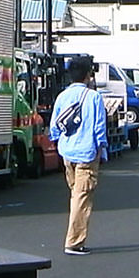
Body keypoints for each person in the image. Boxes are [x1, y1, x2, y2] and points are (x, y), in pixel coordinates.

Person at [47, 56, 107, 255]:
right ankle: (74, 242)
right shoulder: (93, 97)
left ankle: (75, 240)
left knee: (76, 194)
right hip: (86, 153)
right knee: (81, 199)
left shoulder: (62, 96)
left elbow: (54, 126)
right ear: (88, 74)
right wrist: (102, 150)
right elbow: (99, 128)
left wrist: (59, 143)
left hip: (67, 152)